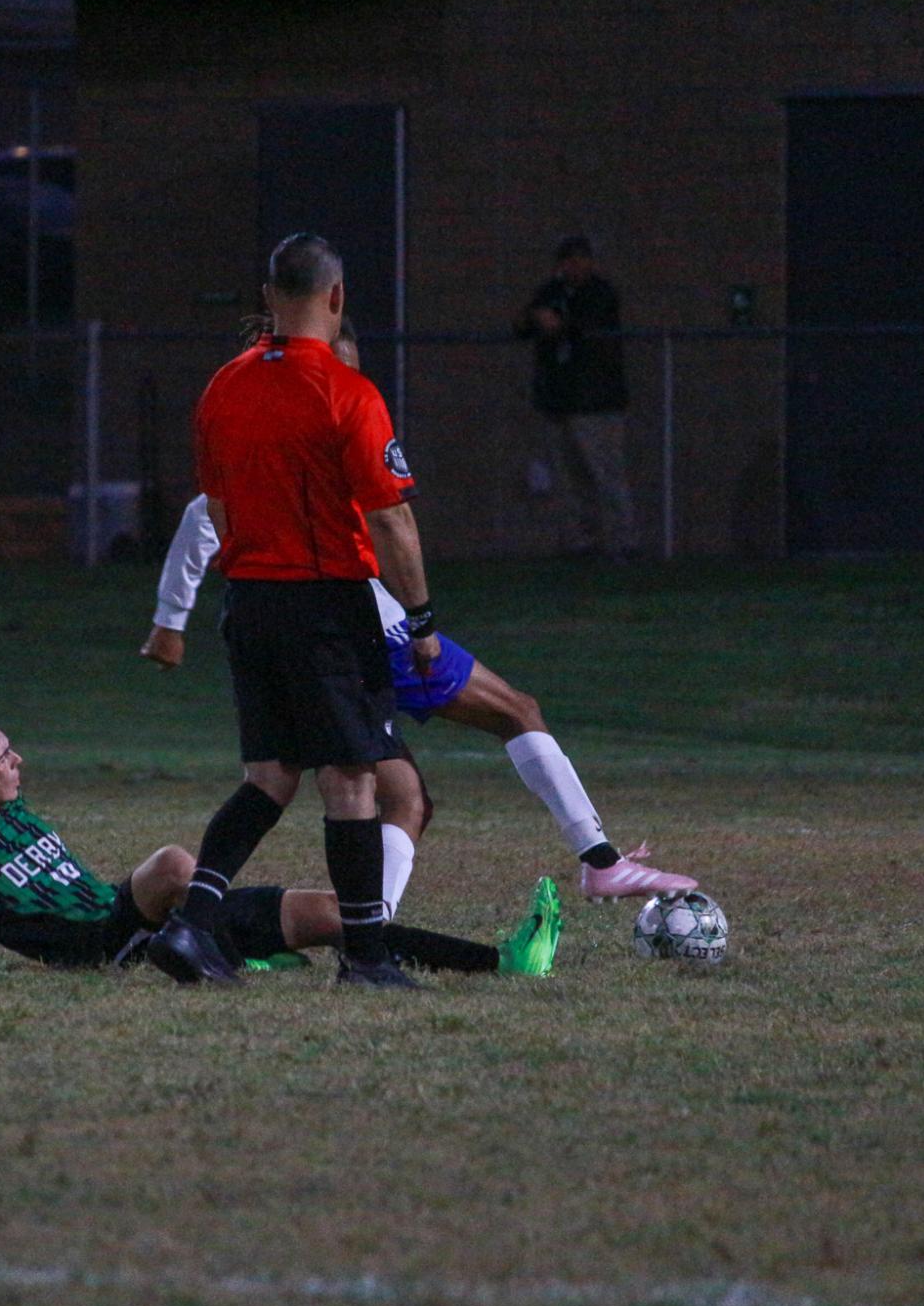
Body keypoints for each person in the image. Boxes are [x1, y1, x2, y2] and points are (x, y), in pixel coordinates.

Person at [141, 325, 694, 906]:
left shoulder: (257, 423)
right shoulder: (328, 418)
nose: (348, 380)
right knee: (509, 715)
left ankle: (342, 927)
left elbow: (206, 513)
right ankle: (598, 860)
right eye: (342, 367)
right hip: (358, 626)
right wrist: (421, 620)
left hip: (285, 626)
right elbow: (389, 521)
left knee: (382, 796)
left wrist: (170, 622)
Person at [146, 233, 438, 990]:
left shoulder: (221, 388)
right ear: (335, 298)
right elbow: (390, 519)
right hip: (324, 607)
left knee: (269, 775)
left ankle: (188, 929)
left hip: (250, 604)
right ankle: (368, 959)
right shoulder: (347, 393)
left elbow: (214, 503)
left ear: (268, 299)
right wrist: (423, 620)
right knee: (351, 780)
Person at [0, 709, 560, 978]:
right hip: (99, 945)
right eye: (2, 758)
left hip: (145, 924)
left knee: (339, 913)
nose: (18, 763)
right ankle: (210, 949)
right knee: (172, 863)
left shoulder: (9, 815)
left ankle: (502, 963)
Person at [515, 235, 636, 558]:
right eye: (569, 260)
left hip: (597, 401)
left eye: (581, 260)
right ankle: (582, 542)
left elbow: (587, 326)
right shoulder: (552, 292)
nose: (575, 266)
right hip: (560, 400)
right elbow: (523, 325)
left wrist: (559, 324)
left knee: (605, 472)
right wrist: (535, 318)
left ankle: (622, 541)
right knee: (569, 477)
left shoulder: (600, 292)